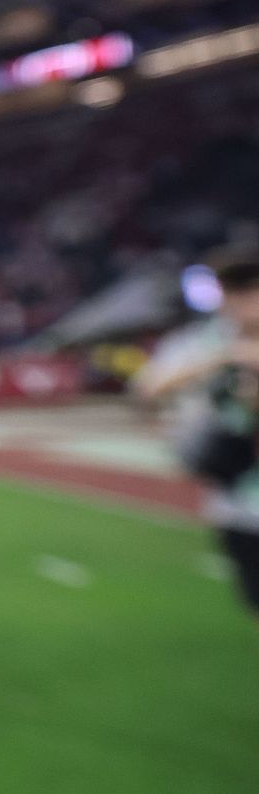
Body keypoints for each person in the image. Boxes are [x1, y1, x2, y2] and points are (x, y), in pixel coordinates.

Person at [133, 246, 259, 620]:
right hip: (241, 500)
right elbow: (149, 388)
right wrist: (226, 358)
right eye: (236, 291)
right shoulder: (207, 341)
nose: (245, 302)